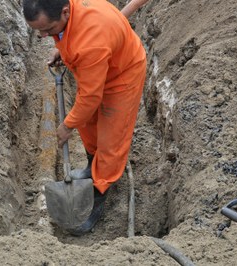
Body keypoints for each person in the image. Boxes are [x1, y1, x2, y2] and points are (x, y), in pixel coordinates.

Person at [23, 0, 148, 235]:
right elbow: (71, 35)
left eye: (48, 30)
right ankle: (93, 166)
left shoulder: (92, 42)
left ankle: (99, 192)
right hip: (97, 67)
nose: (42, 36)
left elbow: (90, 97)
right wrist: (61, 46)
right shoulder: (70, 10)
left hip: (122, 75)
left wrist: (67, 124)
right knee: (89, 126)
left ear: (64, 12)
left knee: (111, 139)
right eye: (38, 31)